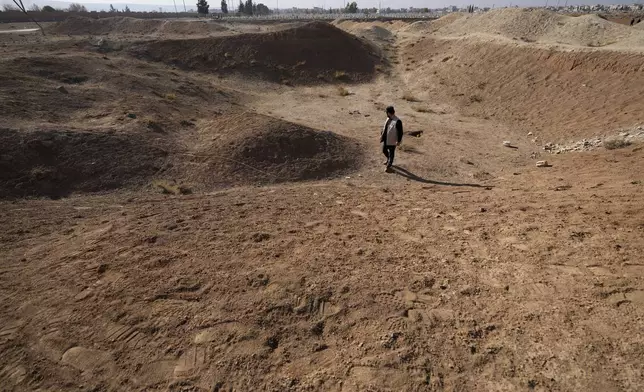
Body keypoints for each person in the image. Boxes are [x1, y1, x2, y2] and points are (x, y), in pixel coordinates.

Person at [380, 106, 403, 172]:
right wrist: (381, 135)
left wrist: (398, 141)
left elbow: (400, 132)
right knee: (384, 150)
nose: (386, 114)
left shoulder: (398, 121)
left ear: (389, 113)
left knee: (391, 154)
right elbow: (385, 127)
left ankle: (388, 166)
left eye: (387, 112)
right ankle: (388, 160)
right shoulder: (388, 118)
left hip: (392, 140)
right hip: (386, 139)